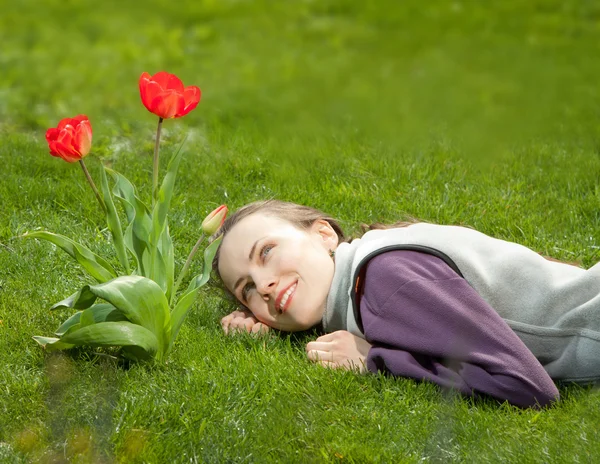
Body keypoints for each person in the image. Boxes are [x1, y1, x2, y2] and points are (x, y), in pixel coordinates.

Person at [214, 200, 600, 408]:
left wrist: (374, 359)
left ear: (323, 234)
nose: (263, 285)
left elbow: (527, 386)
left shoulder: (385, 282)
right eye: (247, 289)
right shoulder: (370, 263)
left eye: (266, 251)